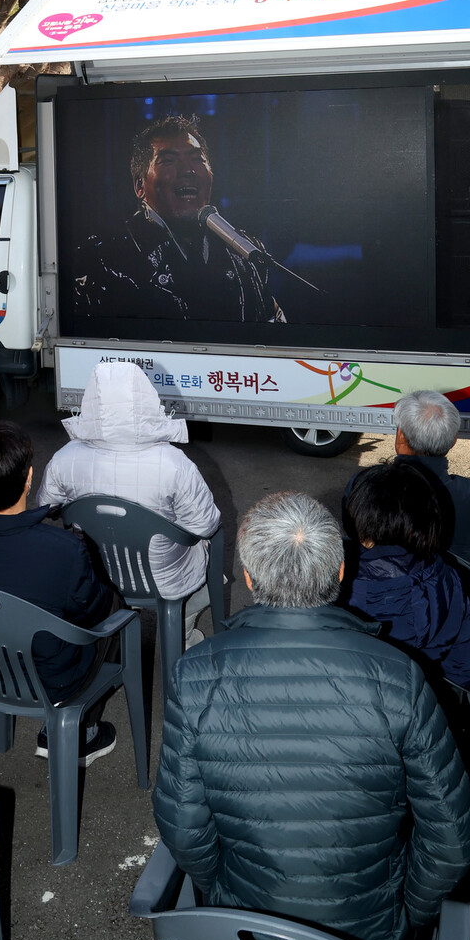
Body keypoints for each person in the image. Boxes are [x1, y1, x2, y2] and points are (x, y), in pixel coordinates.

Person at [152, 491, 470, 940]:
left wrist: (222, 888)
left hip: (242, 939)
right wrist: (405, 913)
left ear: (247, 577)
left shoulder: (194, 674)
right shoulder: (399, 677)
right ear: (341, 571)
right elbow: (452, 838)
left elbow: (182, 827)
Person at [0, 421, 118, 764]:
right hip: (56, 681)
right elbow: (91, 613)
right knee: (114, 605)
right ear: (29, 477)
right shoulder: (61, 548)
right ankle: (82, 728)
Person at [36, 360, 220, 644]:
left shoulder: (64, 459)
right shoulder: (174, 463)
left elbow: (44, 507)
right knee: (208, 546)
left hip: (96, 573)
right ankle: (180, 628)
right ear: (146, 399)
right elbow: (205, 525)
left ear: (91, 401)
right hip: (162, 579)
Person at [74, 114, 284, 323]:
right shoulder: (104, 261)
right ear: (139, 185)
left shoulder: (245, 254)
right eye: (168, 161)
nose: (188, 170)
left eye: (197, 159)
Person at [344, 462, 470, 694]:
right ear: (427, 521)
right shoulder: (449, 579)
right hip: (419, 701)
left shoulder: (335, 581)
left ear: (356, 518)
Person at [345, 390, 470, 564]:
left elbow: (353, 532)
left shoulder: (363, 485)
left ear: (400, 436)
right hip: (458, 586)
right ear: (454, 440)